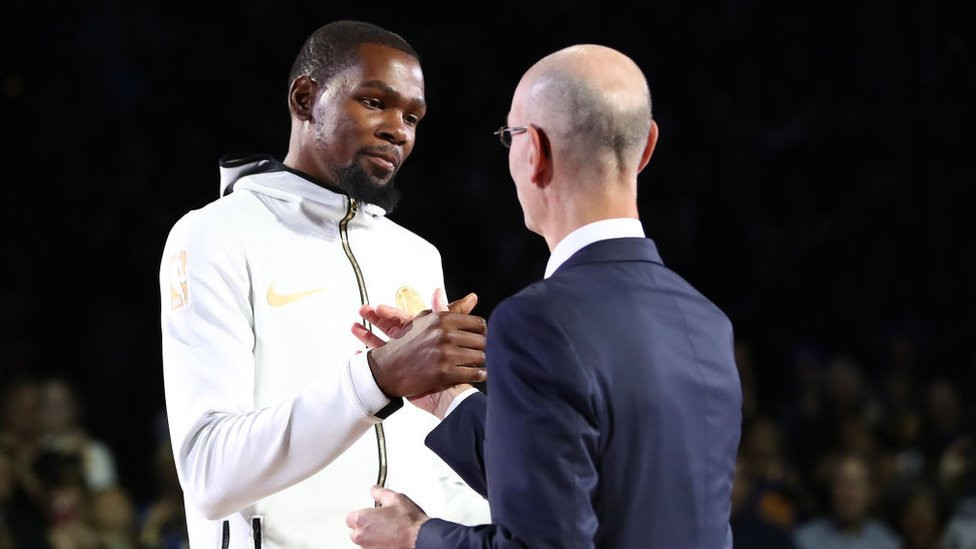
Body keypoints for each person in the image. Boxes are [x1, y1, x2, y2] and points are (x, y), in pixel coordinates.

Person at [346, 44, 743, 548]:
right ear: (646, 149)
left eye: (509, 136)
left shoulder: (537, 321)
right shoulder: (707, 322)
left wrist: (417, 537)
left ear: (534, 151)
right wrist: (446, 399)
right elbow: (593, 488)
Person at [158, 20, 489, 547]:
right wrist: (377, 378)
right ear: (306, 97)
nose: (398, 130)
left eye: (412, 116)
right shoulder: (214, 234)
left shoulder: (417, 254)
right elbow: (208, 474)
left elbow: (436, 465)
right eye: (375, 102)